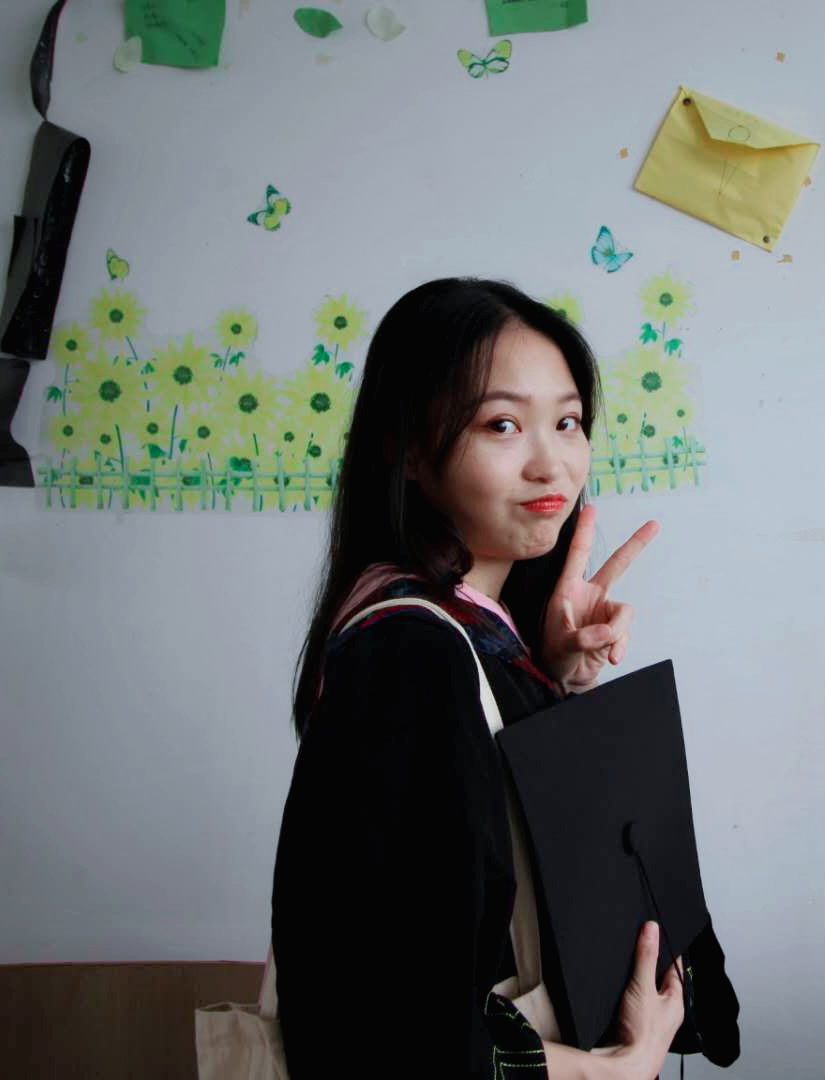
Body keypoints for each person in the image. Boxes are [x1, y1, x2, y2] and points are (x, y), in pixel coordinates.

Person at [272, 278, 685, 1079]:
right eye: (502, 424)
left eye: (567, 422)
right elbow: (389, 1016)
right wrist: (613, 1070)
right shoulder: (410, 653)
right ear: (407, 450)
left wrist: (554, 683)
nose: (551, 463)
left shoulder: (462, 635)